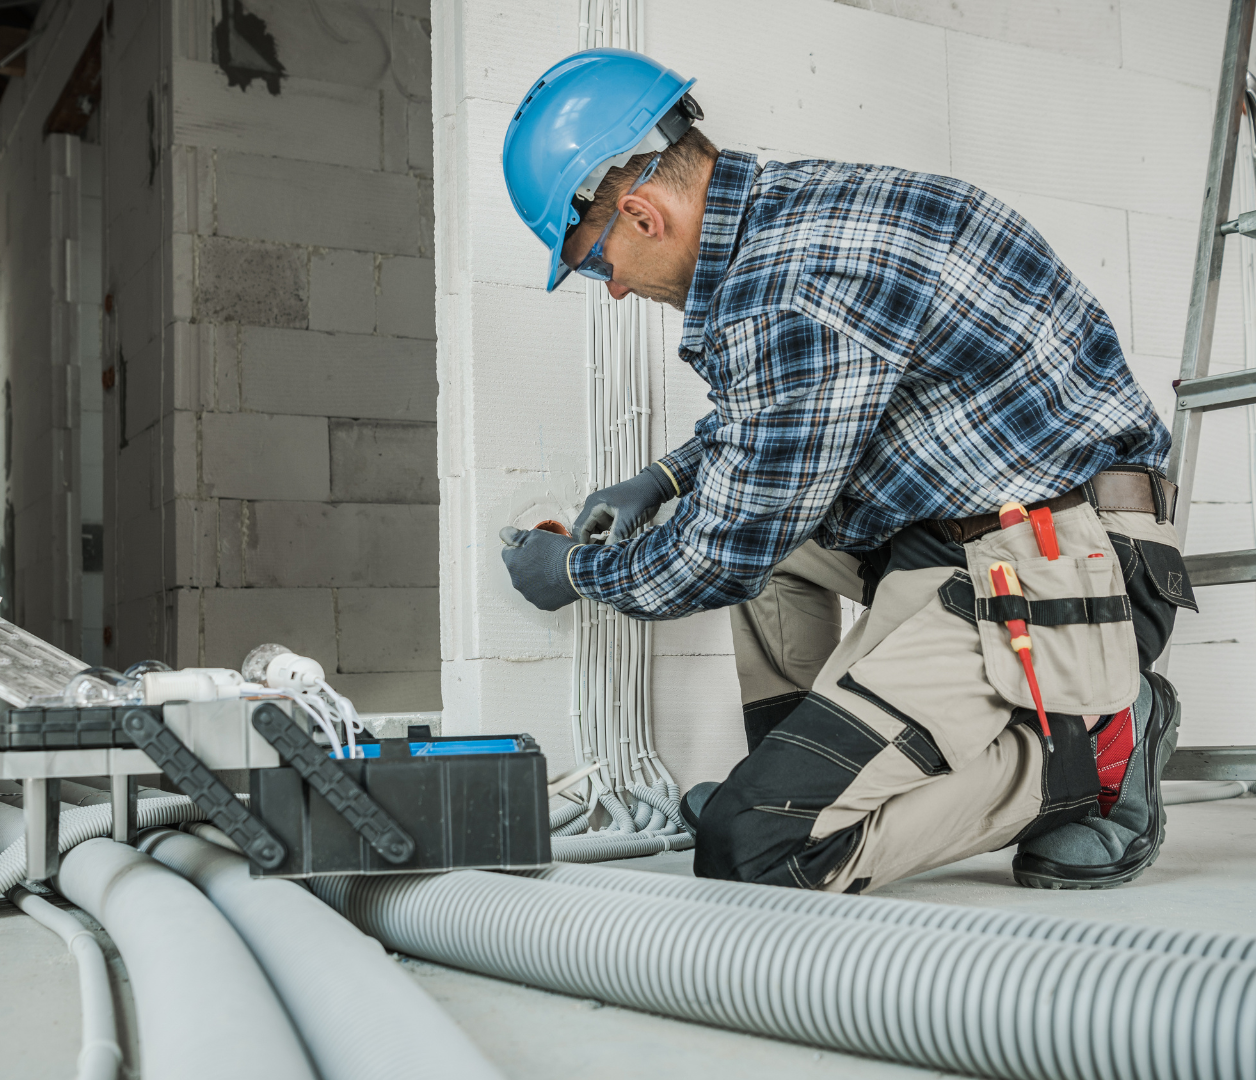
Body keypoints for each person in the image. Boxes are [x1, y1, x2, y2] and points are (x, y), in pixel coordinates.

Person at [495, 49, 1199, 893]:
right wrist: (665, 480)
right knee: (770, 538)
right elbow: (783, 422)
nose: (609, 292)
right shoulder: (789, 211)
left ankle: (1102, 753)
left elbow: (726, 549)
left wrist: (577, 571)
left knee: (754, 851)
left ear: (643, 214)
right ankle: (794, 780)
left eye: (596, 266)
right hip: (972, 535)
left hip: (1070, 567)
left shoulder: (786, 287)